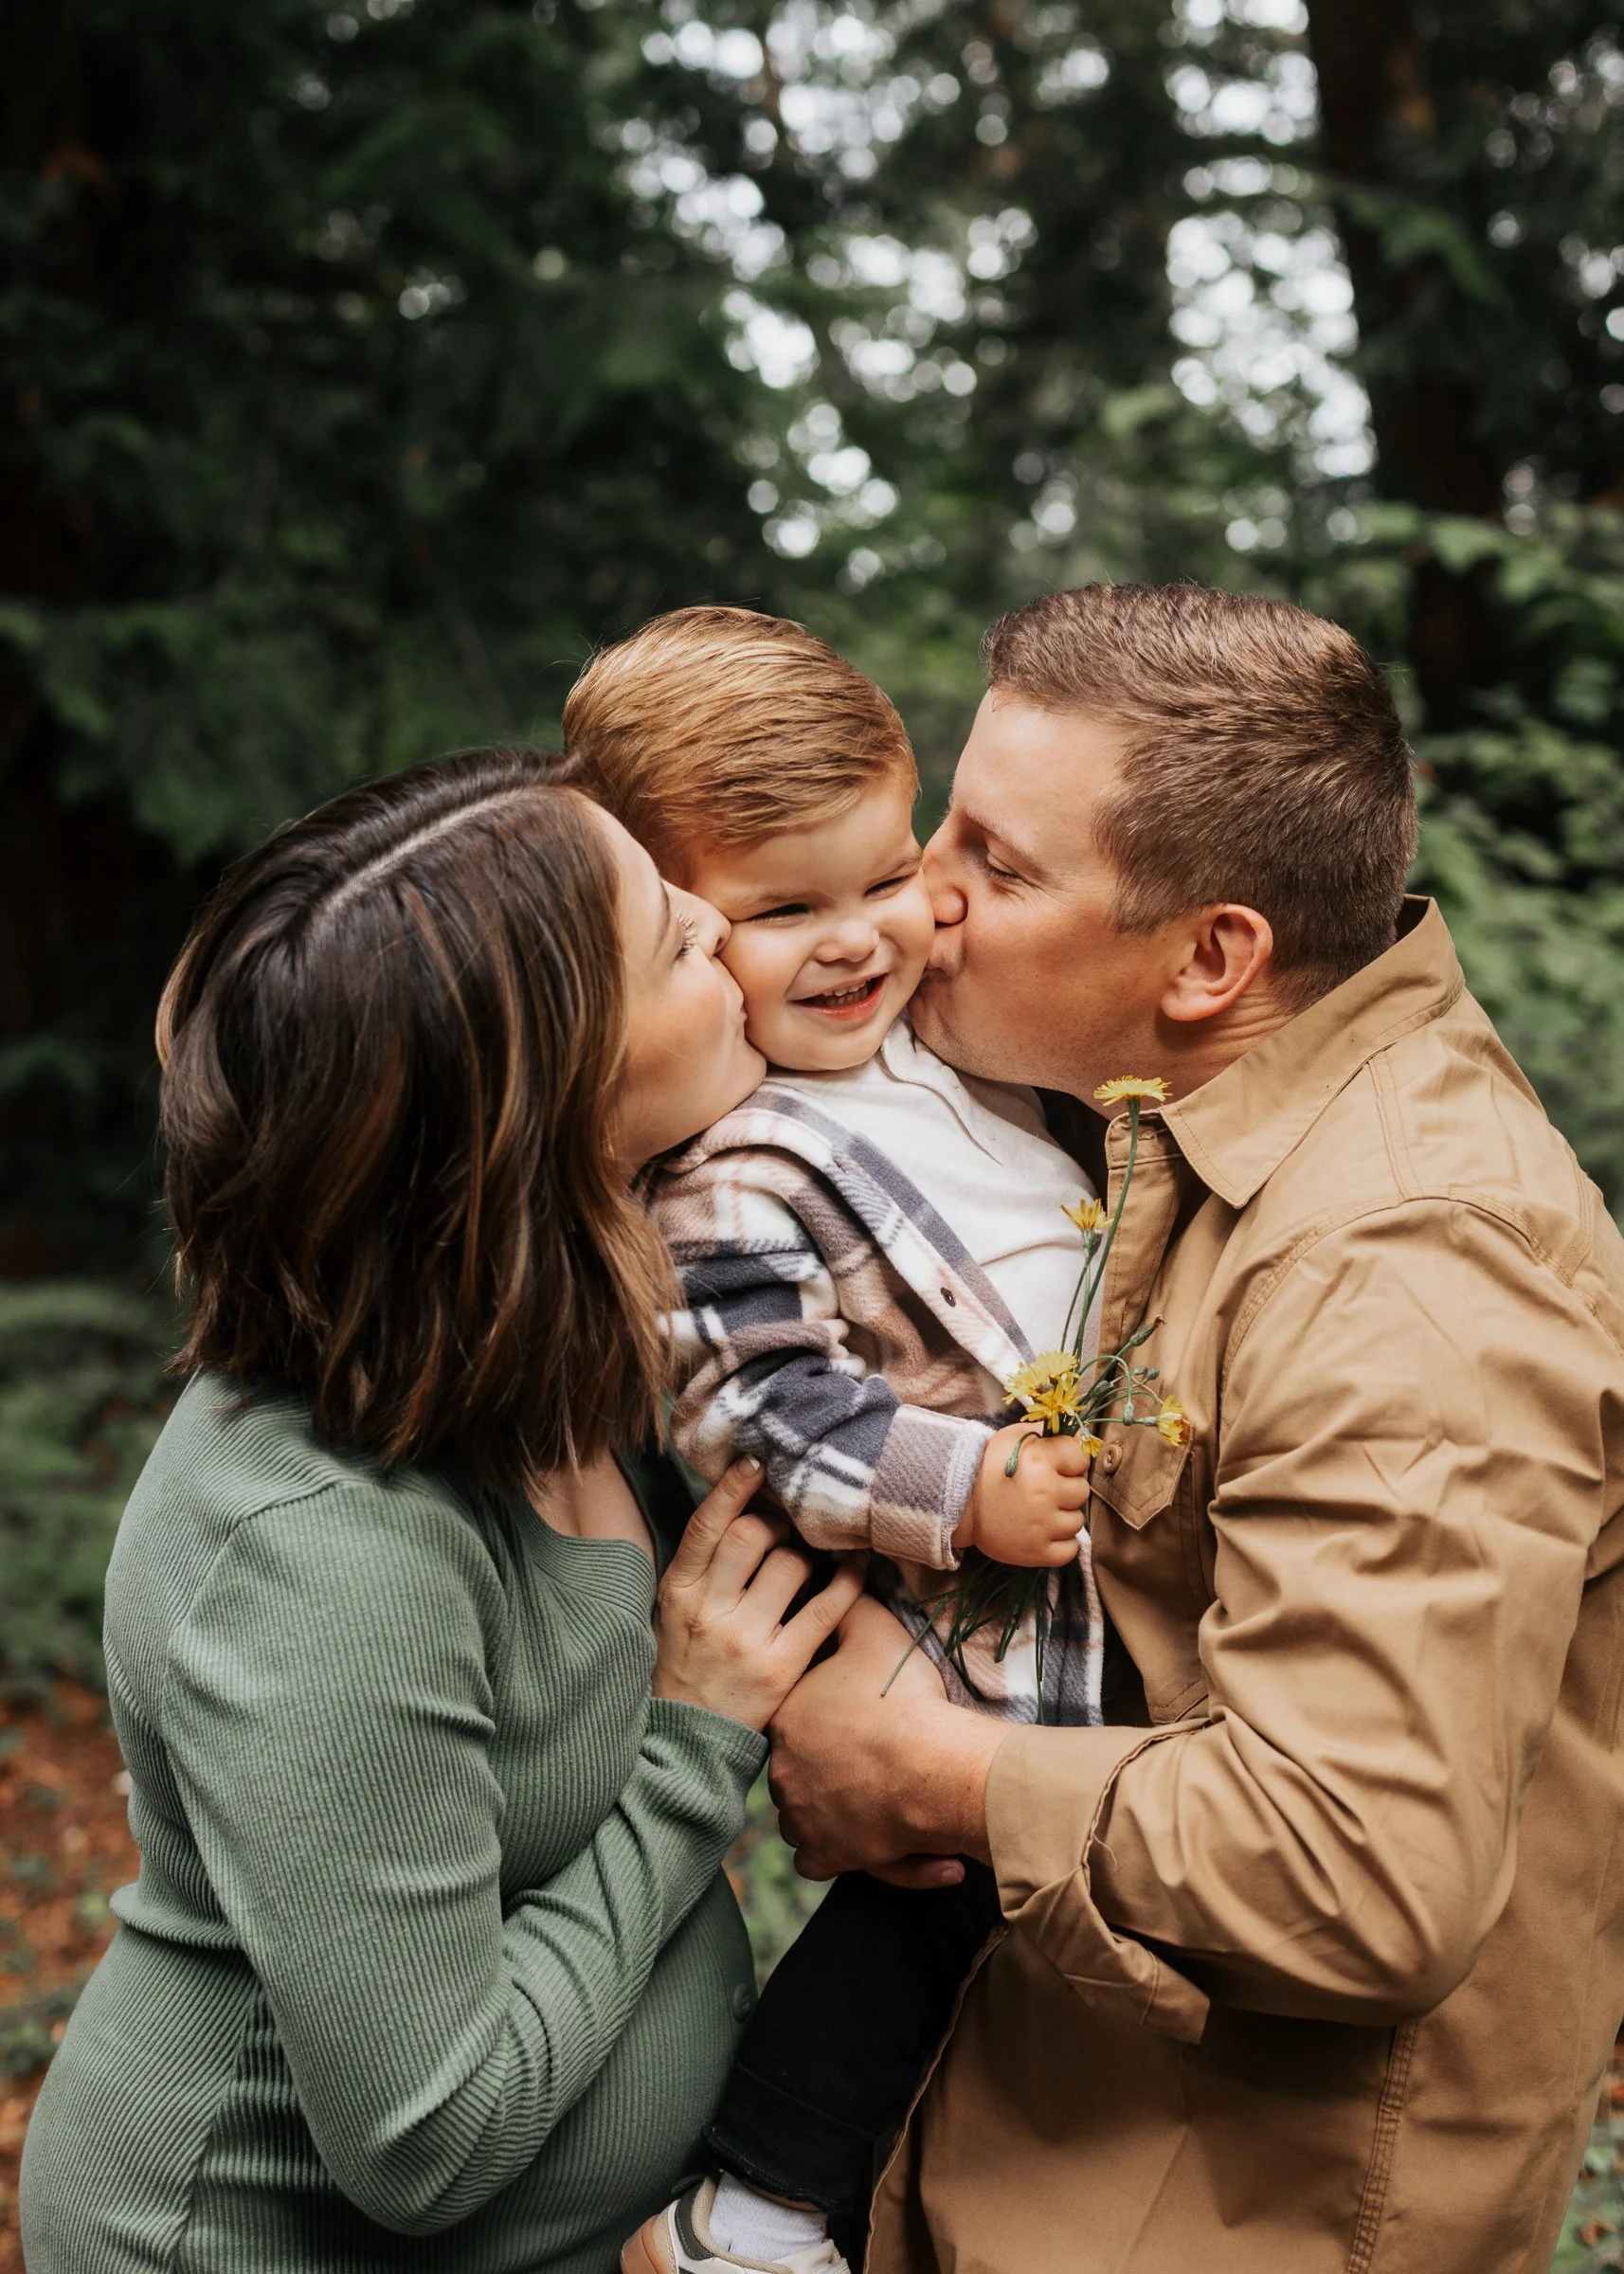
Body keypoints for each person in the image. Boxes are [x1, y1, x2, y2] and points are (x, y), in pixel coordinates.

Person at [766, 583, 1624, 2274]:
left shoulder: (1409, 1266)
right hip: (1069, 2143)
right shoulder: (1190, 1137)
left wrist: (930, 1777)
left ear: (1213, 955)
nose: (921, 894)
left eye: (998, 865)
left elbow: (1360, 1865)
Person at [19, 747, 865, 2274]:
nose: (721, 928)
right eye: (673, 938)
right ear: (552, 1095)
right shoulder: (322, 1551)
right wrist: (692, 1747)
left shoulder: (583, 1340)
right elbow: (426, 2136)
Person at [563, 609, 1125, 2274]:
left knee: (1008, 1930)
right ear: (667, 927)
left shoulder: (963, 1058)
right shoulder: (736, 1161)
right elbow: (751, 1407)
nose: (857, 938)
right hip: (952, 1611)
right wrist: (961, 1487)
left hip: (1067, 1587)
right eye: (778, 909)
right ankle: (751, 2209)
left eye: (883, 876)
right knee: (927, 1898)